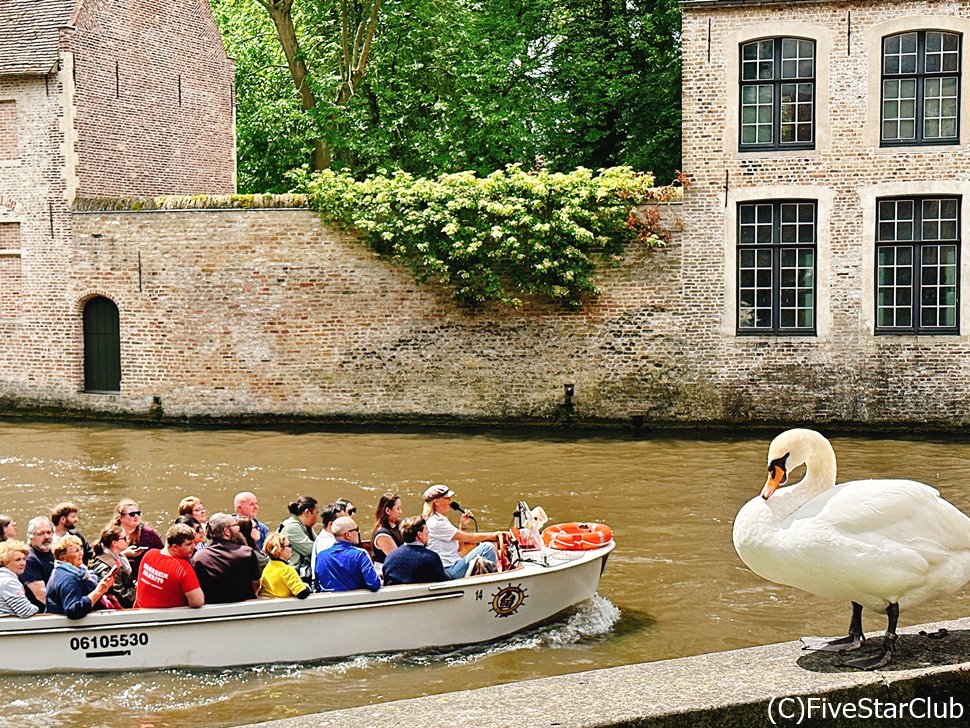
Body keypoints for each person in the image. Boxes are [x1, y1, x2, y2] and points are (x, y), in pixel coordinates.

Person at [422, 485, 499, 580]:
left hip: (454, 564)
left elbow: (459, 548)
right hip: (448, 570)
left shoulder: (442, 519)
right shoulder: (435, 523)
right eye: (447, 498)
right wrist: (494, 535)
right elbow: (469, 538)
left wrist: (463, 526)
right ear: (436, 502)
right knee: (487, 547)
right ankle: (494, 581)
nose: (450, 502)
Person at [192, 512, 260, 603]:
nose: (239, 528)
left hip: (212, 611)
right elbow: (256, 584)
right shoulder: (246, 553)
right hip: (245, 609)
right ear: (226, 531)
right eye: (236, 525)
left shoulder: (199, 557)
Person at [134, 523, 204, 609]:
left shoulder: (148, 555)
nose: (194, 547)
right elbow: (197, 601)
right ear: (174, 547)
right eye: (189, 544)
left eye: (193, 543)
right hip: (166, 618)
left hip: (139, 613)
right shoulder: (183, 569)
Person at [45, 535, 116, 619]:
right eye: (76, 551)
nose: (81, 553)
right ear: (63, 557)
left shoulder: (66, 572)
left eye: (81, 549)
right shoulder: (68, 578)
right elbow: (73, 610)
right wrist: (98, 592)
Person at [314, 516, 380, 593]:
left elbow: (318, 584)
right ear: (348, 535)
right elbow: (374, 585)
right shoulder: (360, 555)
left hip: (329, 602)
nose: (358, 533)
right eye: (356, 529)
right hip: (355, 601)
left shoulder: (320, 556)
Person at [381, 517, 448, 586]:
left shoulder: (389, 557)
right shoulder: (431, 557)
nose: (428, 532)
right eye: (426, 530)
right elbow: (442, 584)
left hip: (395, 595)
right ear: (419, 535)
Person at [111, 499, 163, 575]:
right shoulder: (112, 534)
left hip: (142, 575)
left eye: (138, 513)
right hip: (118, 576)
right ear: (121, 517)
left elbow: (163, 553)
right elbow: (105, 557)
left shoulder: (149, 534)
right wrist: (124, 554)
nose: (136, 516)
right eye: (132, 514)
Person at [89, 526, 137, 608]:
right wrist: (138, 590)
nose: (128, 540)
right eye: (124, 538)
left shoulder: (120, 557)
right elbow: (122, 596)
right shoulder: (107, 568)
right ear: (114, 543)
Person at [259, 532, 311, 599]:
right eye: (289, 545)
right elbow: (302, 593)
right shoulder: (286, 570)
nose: (291, 548)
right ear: (280, 549)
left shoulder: (267, 568)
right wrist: (307, 587)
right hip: (283, 606)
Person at [278, 496, 318, 581]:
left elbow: (317, 543)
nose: (317, 518)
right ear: (307, 513)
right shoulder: (292, 527)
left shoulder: (305, 526)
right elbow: (312, 549)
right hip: (293, 575)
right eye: (316, 513)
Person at [20, 516, 55, 610]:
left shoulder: (53, 553)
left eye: (49, 532)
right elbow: (41, 595)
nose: (47, 537)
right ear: (31, 537)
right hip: (42, 615)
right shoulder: (29, 559)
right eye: (41, 534)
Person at [0, 540, 39, 618]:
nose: (23, 563)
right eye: (17, 560)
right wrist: (37, 608)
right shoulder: (9, 582)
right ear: (5, 562)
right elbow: (25, 611)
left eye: (24, 559)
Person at [309, 502, 346, 578]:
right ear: (331, 524)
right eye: (342, 521)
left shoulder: (333, 538)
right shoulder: (325, 543)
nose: (346, 523)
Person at [371, 492, 404, 565]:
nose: (401, 512)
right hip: (385, 571)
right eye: (398, 509)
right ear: (388, 511)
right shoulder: (382, 534)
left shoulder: (398, 525)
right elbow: (397, 559)